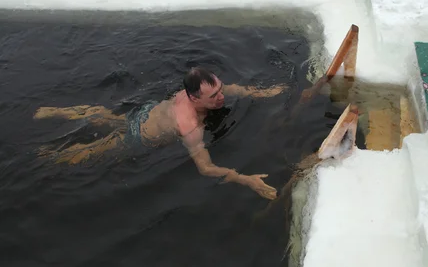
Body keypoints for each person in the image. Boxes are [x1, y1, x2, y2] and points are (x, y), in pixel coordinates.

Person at [34, 67, 287, 200]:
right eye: (214, 96)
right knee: (94, 151)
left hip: (145, 113)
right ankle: (46, 158)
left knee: (107, 116)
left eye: (220, 88)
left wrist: (262, 93)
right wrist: (245, 179)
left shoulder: (192, 93)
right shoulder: (190, 126)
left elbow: (232, 88)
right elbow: (205, 168)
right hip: (140, 136)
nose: (222, 95)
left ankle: (51, 112)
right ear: (194, 98)